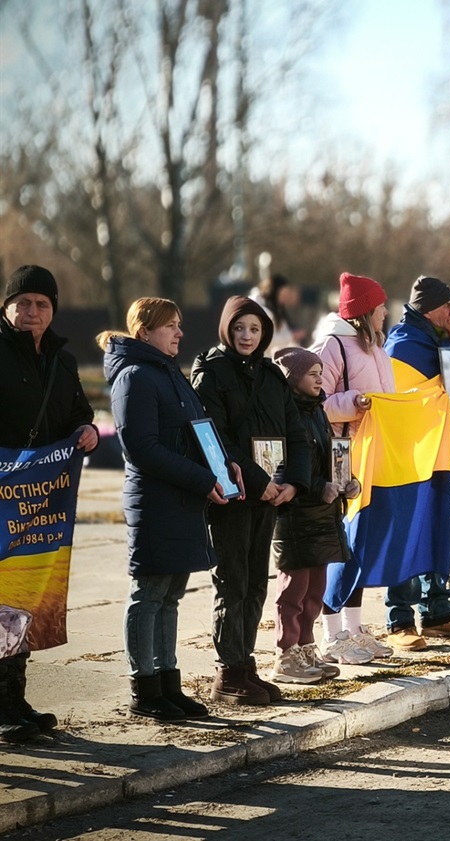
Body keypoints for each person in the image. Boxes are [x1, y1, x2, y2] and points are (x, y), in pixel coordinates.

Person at [99, 298, 237, 722]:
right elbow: (142, 449)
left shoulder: (167, 373)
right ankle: (145, 690)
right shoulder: (135, 376)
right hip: (156, 502)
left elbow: (199, 430)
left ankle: (168, 684)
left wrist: (225, 462)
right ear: (144, 331)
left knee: (172, 594)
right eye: (170, 326)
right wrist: (202, 479)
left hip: (181, 500)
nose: (179, 333)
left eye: (179, 325)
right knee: (149, 593)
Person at [192, 296, 312, 705]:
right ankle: (228, 674)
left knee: (257, 583)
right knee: (233, 581)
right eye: (240, 328)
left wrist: (293, 482)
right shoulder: (211, 372)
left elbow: (296, 433)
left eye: (255, 329)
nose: (247, 336)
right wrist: (259, 481)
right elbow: (215, 437)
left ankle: (246, 666)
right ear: (227, 328)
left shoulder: (272, 375)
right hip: (233, 495)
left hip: (270, 497)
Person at [0, 266, 98, 742]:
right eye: (22, 303)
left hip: (39, 503)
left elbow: (79, 413)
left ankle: (12, 702)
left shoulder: (63, 361)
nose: (31, 312)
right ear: (7, 307)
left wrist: (88, 431)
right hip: (1, 500)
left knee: (21, 599)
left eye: (40, 304)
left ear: (52, 310)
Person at [382, 276, 450, 641]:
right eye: (446, 306)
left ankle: (438, 613)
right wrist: (446, 408)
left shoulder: (439, 341)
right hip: (411, 459)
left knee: (438, 533)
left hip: (441, 452)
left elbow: (444, 397)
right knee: (407, 534)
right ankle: (400, 620)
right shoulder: (403, 345)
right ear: (428, 308)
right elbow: (401, 404)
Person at [313, 273, 396, 662]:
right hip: (341, 454)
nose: (385, 313)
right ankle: (333, 634)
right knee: (341, 541)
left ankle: (355, 627)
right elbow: (315, 402)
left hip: (372, 454)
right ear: (365, 311)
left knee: (362, 543)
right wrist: (354, 402)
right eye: (380, 307)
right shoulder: (332, 346)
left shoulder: (377, 348)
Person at [269, 347, 355, 685]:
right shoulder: (284, 414)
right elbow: (282, 466)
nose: (320, 378)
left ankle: (306, 647)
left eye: (321, 372)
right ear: (293, 380)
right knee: (293, 589)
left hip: (322, 515)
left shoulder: (317, 410)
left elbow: (329, 458)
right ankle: (285, 654)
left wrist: (347, 481)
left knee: (314, 590)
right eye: (312, 373)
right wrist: (318, 486)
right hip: (295, 514)